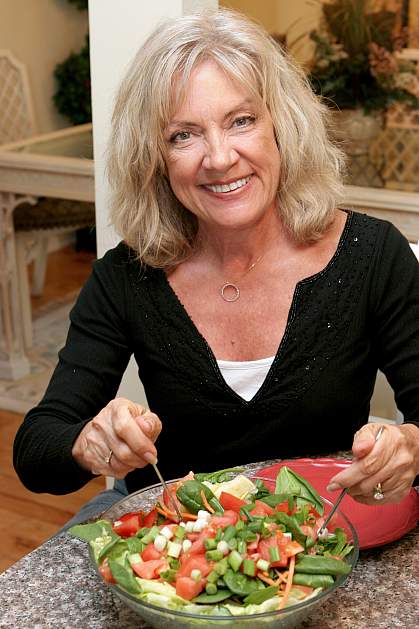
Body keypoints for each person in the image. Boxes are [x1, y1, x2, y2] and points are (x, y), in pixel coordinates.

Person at [13, 9, 419, 525]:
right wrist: (90, 443)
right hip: (175, 547)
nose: (220, 157)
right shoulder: (126, 275)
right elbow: (35, 450)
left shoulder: (373, 254)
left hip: (324, 535)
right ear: (155, 158)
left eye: (241, 121)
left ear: (281, 126)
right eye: (184, 135)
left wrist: (409, 446)